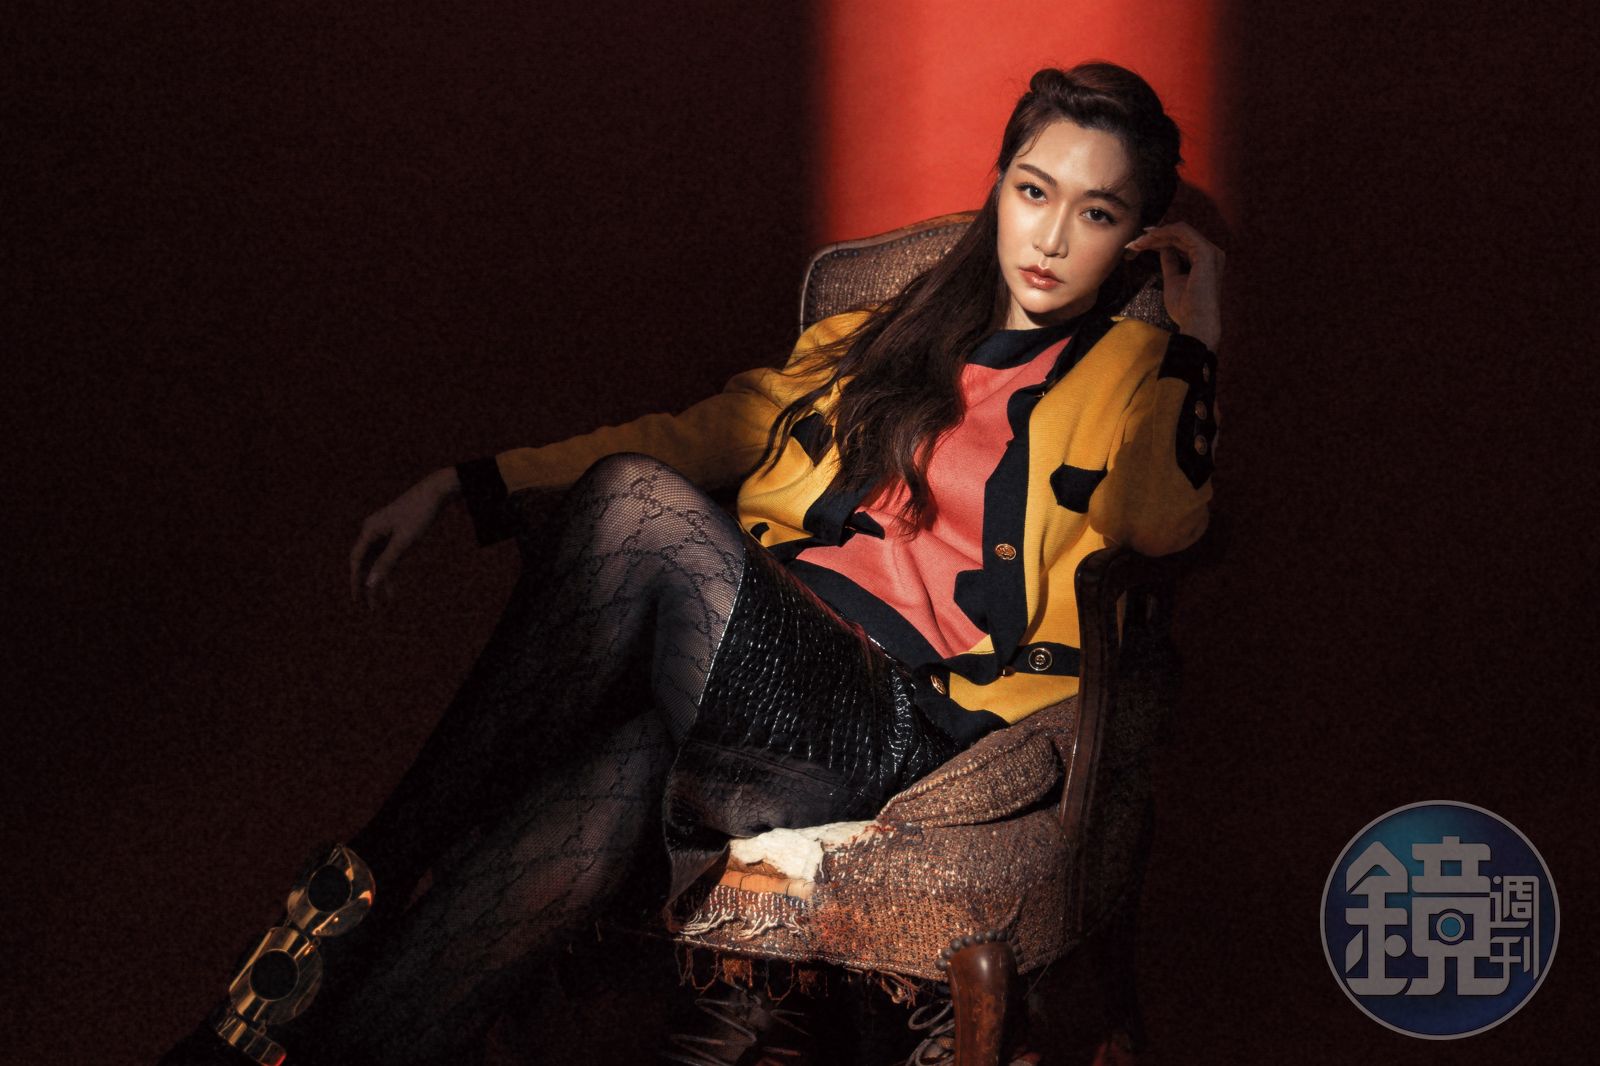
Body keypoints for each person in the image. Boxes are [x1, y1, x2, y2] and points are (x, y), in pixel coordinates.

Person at [161, 60, 1223, 1066]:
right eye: (1034, 191)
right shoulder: (875, 338)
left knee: (638, 507)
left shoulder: (1138, 374)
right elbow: (698, 432)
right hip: (748, 687)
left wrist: (1198, 333)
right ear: (998, 188)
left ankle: (366, 875)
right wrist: (470, 482)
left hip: (892, 725)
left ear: (1134, 235)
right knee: (604, 799)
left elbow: (1161, 520)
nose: (1051, 237)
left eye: (1098, 213)